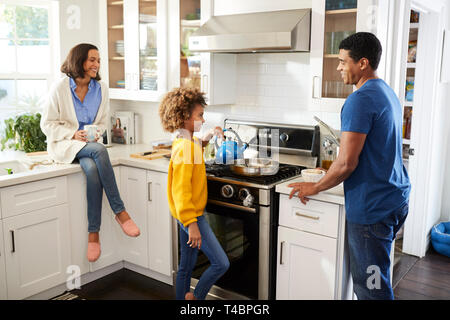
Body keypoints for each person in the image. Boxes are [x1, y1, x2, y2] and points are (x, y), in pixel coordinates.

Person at [288, 32, 411, 300]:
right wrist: (329, 172)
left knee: (371, 288)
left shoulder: (359, 99)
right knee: (378, 276)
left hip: (373, 208)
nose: (339, 67)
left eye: (343, 61)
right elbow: (370, 150)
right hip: (394, 197)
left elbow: (346, 163)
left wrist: (315, 187)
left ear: (363, 63)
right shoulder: (385, 91)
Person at [40, 43, 140, 263]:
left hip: (89, 147)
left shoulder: (101, 88)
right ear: (79, 61)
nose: (96, 64)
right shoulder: (60, 89)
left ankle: (93, 234)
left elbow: (103, 121)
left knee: (93, 170)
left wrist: (95, 133)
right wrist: (72, 133)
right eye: (92, 59)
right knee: (100, 151)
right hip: (66, 145)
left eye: (98, 60)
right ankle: (120, 212)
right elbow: (46, 125)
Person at [159, 87, 229, 300]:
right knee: (220, 263)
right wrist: (192, 224)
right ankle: (195, 299)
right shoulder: (186, 148)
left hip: (184, 215)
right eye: (200, 115)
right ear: (184, 117)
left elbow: (194, 145)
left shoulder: (184, 142)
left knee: (186, 267)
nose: (203, 119)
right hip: (191, 216)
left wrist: (207, 137)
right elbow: (181, 191)